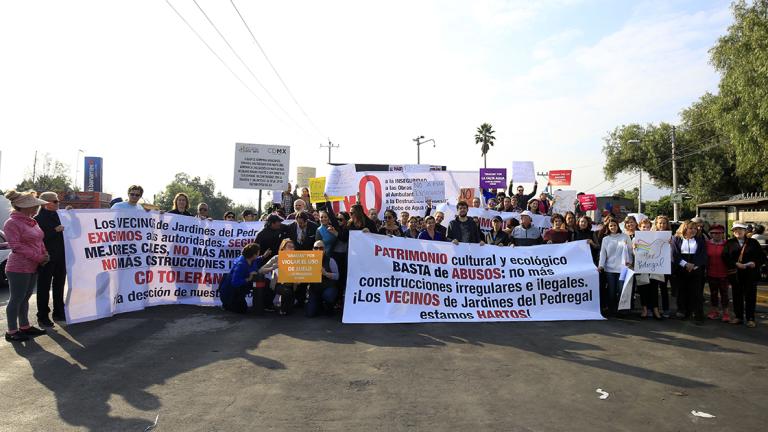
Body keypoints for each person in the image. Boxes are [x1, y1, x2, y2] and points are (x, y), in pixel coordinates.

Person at [4, 190, 49, 342]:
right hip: (18, 267)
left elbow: (39, 240)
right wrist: (39, 257)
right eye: (34, 205)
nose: (37, 208)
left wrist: (44, 254)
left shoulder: (32, 221)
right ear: (23, 207)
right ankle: (11, 331)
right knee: (16, 299)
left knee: (25, 297)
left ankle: (24, 326)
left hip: (33, 265)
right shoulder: (12, 223)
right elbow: (16, 246)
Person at [723, 222, 766, 328]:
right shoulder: (729, 243)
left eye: (740, 229)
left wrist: (755, 263)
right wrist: (735, 264)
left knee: (750, 296)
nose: (738, 232)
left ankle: (750, 318)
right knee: (737, 296)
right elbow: (725, 257)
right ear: (733, 232)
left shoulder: (753, 242)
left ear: (745, 231)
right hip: (736, 274)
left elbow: (762, 257)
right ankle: (738, 317)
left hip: (750, 273)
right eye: (735, 230)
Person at [34, 191, 66, 326]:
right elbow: (37, 239)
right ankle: (42, 315)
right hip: (46, 258)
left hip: (61, 256)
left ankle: (59, 311)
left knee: (59, 285)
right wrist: (55, 231)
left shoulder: (60, 215)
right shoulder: (37, 219)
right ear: (46, 203)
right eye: (55, 201)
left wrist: (70, 214)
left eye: (58, 200)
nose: (58, 203)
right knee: (43, 287)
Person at [220, 243, 273, 314]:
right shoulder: (241, 264)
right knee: (242, 310)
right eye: (258, 252)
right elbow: (235, 283)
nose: (258, 253)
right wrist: (248, 278)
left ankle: (266, 305)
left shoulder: (251, 259)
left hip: (243, 284)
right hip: (233, 291)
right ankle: (227, 305)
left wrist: (263, 256)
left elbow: (256, 260)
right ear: (253, 255)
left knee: (267, 282)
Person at [672, 220, 707, 322]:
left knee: (696, 292)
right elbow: (675, 254)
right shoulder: (677, 239)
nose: (693, 231)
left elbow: (703, 255)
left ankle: (697, 313)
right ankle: (682, 311)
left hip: (696, 270)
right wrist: (685, 264)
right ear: (684, 229)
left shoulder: (700, 240)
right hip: (681, 269)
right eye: (690, 228)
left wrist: (694, 265)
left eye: (695, 228)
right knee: (682, 291)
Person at [598, 219, 632, 317]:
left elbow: (630, 251)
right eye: (611, 226)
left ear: (618, 226)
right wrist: (601, 265)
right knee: (611, 291)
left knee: (621, 290)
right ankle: (611, 309)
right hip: (610, 269)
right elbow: (603, 254)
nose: (613, 227)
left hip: (623, 269)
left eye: (614, 225)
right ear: (608, 228)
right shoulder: (606, 239)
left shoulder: (625, 237)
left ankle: (622, 310)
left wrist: (630, 262)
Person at [634, 218, 663, 320]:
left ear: (650, 227)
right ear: (639, 227)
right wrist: (636, 248)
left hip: (654, 268)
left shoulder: (655, 238)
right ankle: (645, 309)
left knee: (654, 289)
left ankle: (655, 310)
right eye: (643, 227)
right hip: (642, 268)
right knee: (643, 290)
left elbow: (658, 249)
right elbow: (635, 254)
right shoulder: (635, 239)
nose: (645, 228)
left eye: (647, 227)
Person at [305, 240, 339, 317]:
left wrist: (326, 273)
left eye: (321, 248)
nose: (318, 250)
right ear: (312, 249)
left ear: (324, 250)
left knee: (328, 296)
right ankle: (319, 304)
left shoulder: (331, 260)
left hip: (328, 288)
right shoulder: (307, 260)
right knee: (310, 314)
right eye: (316, 248)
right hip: (315, 289)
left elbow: (337, 276)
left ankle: (329, 307)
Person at [705, 224, 730, 322]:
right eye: (714, 233)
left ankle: (726, 313)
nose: (716, 235)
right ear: (710, 234)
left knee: (725, 294)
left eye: (719, 233)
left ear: (723, 234)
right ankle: (714, 311)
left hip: (724, 274)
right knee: (713, 294)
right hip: (711, 273)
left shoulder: (727, 244)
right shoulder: (706, 244)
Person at [653, 215, 673, 317]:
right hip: (654, 266)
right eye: (660, 223)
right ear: (656, 224)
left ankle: (666, 309)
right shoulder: (650, 236)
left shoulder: (671, 237)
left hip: (665, 266)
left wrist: (671, 244)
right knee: (654, 289)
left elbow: (673, 253)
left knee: (664, 289)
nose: (662, 225)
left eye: (664, 223)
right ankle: (654, 309)